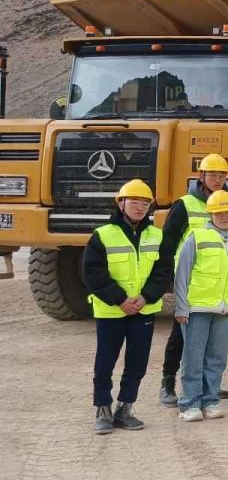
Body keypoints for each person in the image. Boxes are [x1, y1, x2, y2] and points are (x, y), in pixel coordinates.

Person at [83, 179, 173, 434]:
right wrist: (120, 299)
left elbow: (163, 271)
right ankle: (103, 408)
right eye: (134, 202)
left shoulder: (157, 235)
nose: (140, 207)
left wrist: (146, 297)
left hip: (143, 310)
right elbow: (92, 273)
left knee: (137, 362)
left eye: (145, 203)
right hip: (112, 311)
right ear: (120, 203)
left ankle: (126, 408)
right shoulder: (102, 235)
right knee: (105, 362)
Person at [157, 153, 228, 406]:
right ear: (201, 176)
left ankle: (206, 385)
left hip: (217, 282)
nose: (218, 179)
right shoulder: (185, 205)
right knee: (181, 333)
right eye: (213, 175)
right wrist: (168, 279)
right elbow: (167, 243)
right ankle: (167, 382)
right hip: (190, 281)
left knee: (211, 338)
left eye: (222, 175)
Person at [173, 190, 228, 421]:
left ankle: (210, 401)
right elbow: (182, 275)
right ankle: (189, 403)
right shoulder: (196, 238)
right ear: (211, 213)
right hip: (197, 308)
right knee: (193, 357)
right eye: (219, 212)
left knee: (217, 358)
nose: (224, 216)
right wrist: (180, 307)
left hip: (225, 309)